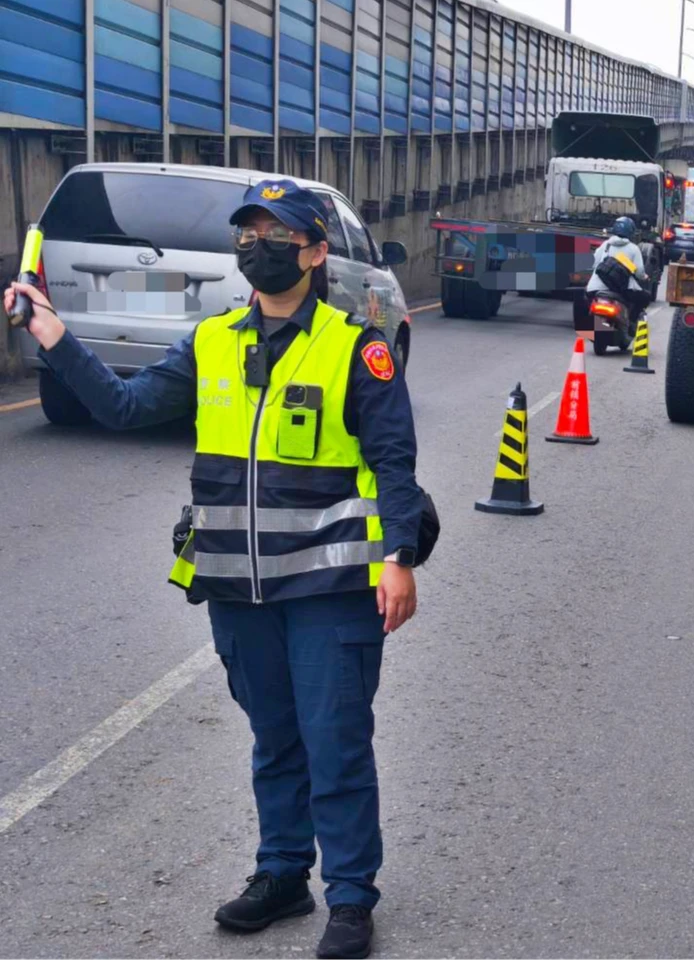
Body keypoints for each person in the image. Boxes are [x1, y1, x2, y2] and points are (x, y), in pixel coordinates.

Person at [5, 178, 424, 960]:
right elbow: (126, 408)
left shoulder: (354, 346)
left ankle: (351, 897)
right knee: (273, 738)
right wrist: (56, 339)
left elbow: (394, 461)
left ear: (314, 250)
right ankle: (282, 874)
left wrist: (399, 557)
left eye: (275, 234)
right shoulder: (211, 342)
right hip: (237, 584)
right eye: (247, 234)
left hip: (332, 585)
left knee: (334, 739)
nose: (256, 246)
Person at [586, 215, 650, 315]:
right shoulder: (634, 249)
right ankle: (632, 323)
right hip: (621, 290)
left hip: (595, 288)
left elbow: (594, 263)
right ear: (631, 232)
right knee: (644, 298)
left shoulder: (606, 245)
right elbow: (639, 272)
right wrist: (644, 277)